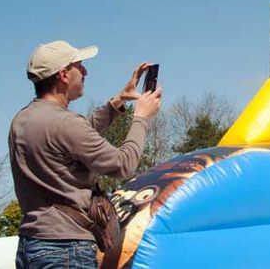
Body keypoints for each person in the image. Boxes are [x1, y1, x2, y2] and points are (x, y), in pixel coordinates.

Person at [9, 40, 162, 269]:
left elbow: (76, 136)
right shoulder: (65, 123)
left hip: (31, 247)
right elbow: (124, 165)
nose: (85, 72)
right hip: (65, 251)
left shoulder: (22, 121)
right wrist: (141, 118)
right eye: (79, 66)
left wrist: (119, 100)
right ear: (63, 75)